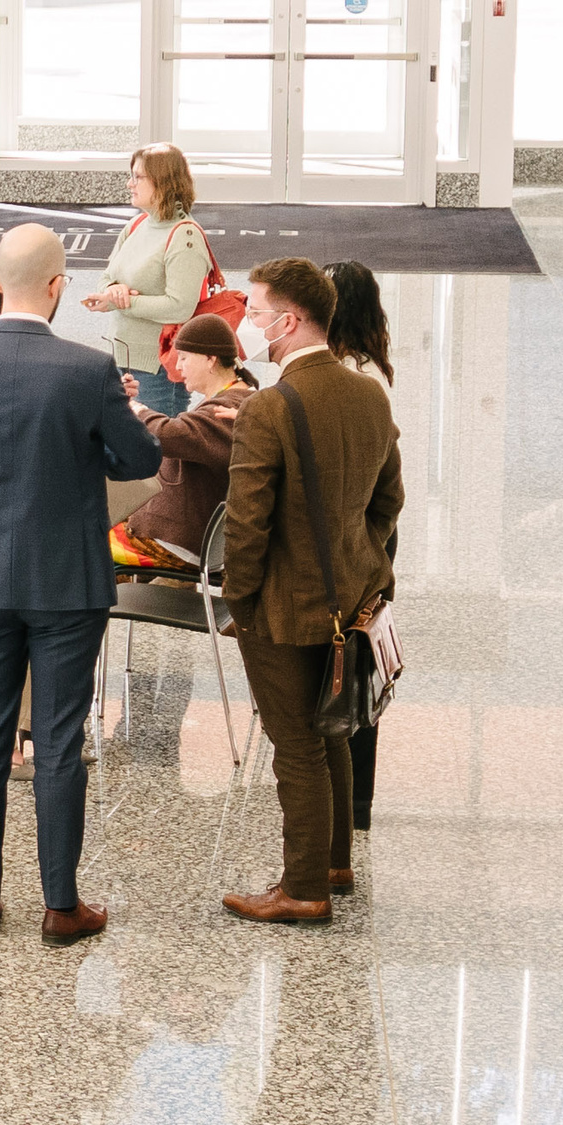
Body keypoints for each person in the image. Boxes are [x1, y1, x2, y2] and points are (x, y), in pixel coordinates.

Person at [0, 225, 160, 944]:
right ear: (57, 287)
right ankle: (60, 906)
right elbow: (137, 457)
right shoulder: (89, 370)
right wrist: (113, 416)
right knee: (56, 741)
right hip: (65, 579)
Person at [217, 258, 402, 926]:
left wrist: (240, 603)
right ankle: (334, 860)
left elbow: (246, 526)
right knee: (333, 731)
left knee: (294, 742)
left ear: (290, 322)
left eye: (258, 313)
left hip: (281, 610)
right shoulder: (370, 395)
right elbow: (389, 503)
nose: (251, 325)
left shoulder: (269, 407)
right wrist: (360, 571)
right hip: (346, 602)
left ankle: (302, 888)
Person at [324, 260, 395, 833]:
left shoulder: (354, 377)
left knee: (350, 663)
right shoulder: (376, 370)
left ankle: (351, 803)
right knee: (355, 660)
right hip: (371, 531)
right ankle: (352, 801)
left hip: (358, 534)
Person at [111, 314, 259, 572]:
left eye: (183, 357)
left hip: (178, 541)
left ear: (210, 359)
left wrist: (134, 408)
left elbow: (171, 434)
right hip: (188, 536)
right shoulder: (237, 397)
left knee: (83, 541)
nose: (177, 367)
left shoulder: (227, 409)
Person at [80, 142, 211, 420]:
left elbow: (180, 307)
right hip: (123, 359)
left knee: (159, 455)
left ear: (164, 182)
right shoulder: (137, 225)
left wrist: (125, 303)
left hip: (158, 369)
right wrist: (112, 290)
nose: (129, 184)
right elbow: (107, 277)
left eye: (138, 177)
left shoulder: (185, 235)